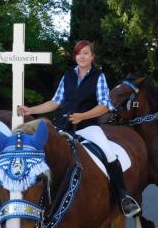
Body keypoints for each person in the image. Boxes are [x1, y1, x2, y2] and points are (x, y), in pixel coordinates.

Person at [17, 40, 141, 217]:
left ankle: (123, 196)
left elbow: (105, 106)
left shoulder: (98, 76)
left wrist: (82, 116)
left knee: (109, 152)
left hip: (87, 127)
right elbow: (55, 101)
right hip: (63, 127)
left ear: (92, 56)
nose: (81, 57)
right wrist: (31, 109)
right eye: (78, 53)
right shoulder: (67, 75)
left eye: (85, 53)